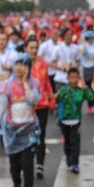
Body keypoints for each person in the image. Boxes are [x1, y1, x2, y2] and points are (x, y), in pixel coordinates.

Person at [0, 54, 41, 187]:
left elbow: (33, 100)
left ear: (29, 68)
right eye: (18, 64)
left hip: (30, 130)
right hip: (12, 130)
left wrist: (26, 84)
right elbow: (2, 104)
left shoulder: (35, 83)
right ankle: (16, 182)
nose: (20, 68)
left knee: (28, 165)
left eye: (24, 65)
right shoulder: (7, 85)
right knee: (15, 165)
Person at [55, 68, 94, 174]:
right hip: (64, 120)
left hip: (76, 121)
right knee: (67, 141)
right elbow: (56, 99)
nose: (74, 80)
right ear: (67, 78)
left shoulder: (80, 90)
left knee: (75, 142)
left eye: (76, 77)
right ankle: (68, 155)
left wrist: (85, 87)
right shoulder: (64, 90)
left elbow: (91, 97)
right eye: (71, 78)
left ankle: (75, 163)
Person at [27, 37, 54, 179]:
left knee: (40, 135)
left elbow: (47, 83)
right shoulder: (22, 65)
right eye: (31, 48)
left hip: (42, 105)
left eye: (36, 48)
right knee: (28, 136)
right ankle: (27, 163)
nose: (34, 50)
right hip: (27, 106)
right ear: (26, 49)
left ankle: (40, 164)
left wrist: (51, 96)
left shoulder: (43, 64)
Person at [80, 30, 94, 113]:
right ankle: (90, 105)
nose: (90, 40)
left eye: (92, 38)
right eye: (88, 38)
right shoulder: (84, 46)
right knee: (88, 87)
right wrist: (83, 42)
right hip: (86, 68)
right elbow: (82, 53)